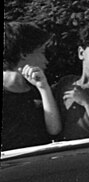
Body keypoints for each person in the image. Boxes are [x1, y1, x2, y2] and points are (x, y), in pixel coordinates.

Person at [2, 22, 62, 151]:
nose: (46, 60)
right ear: (23, 54)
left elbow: (54, 129)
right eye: (42, 52)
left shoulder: (37, 89)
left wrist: (44, 88)